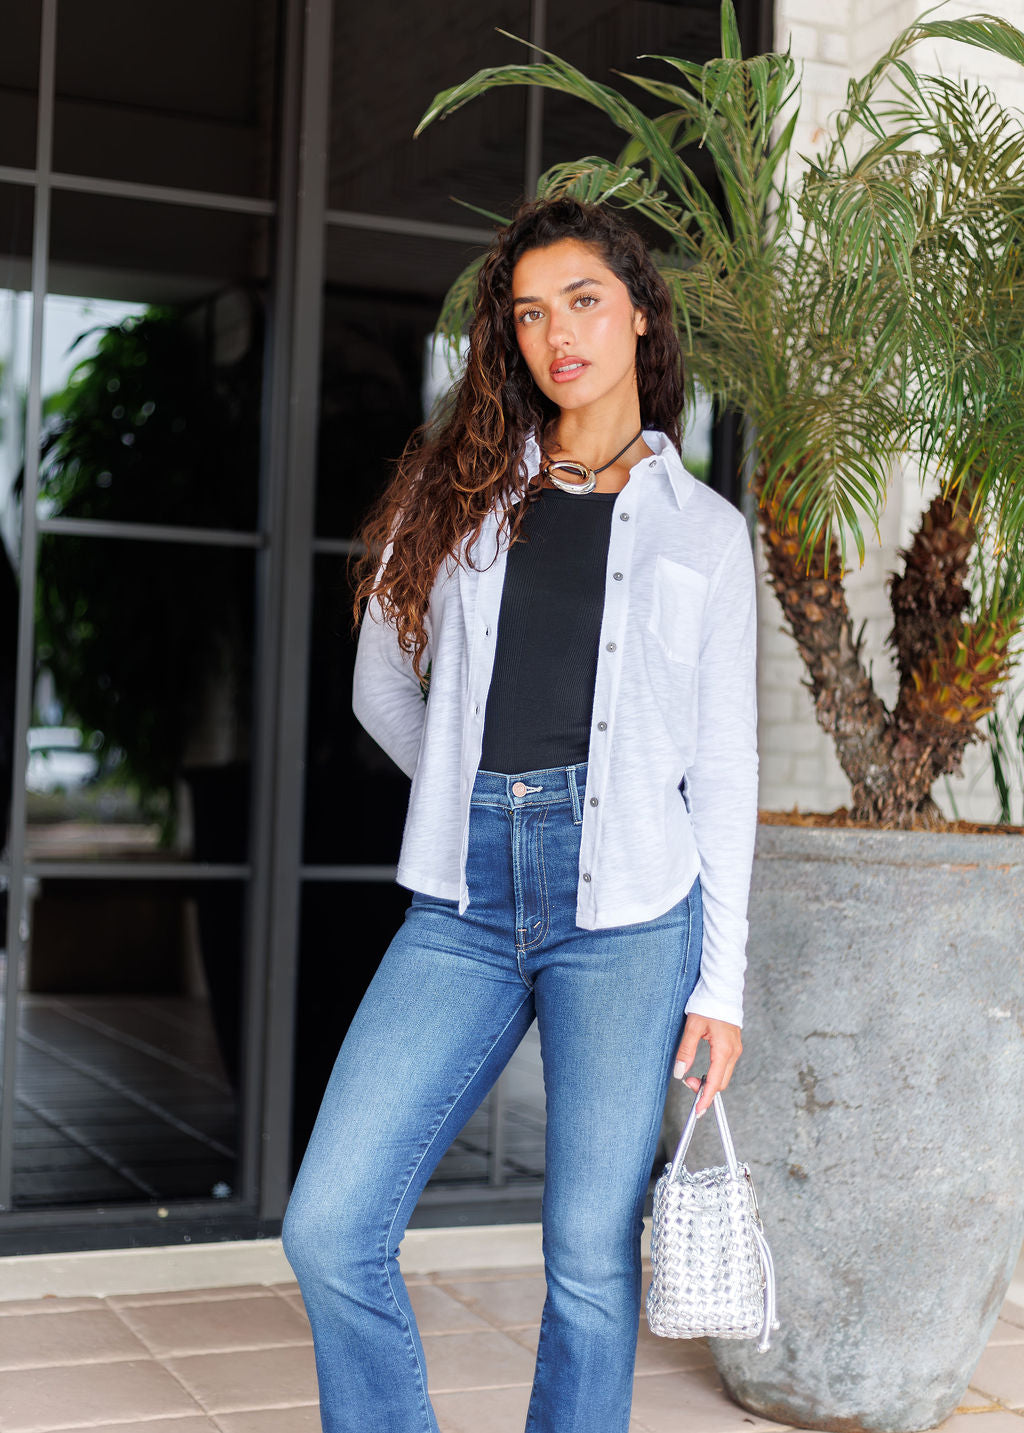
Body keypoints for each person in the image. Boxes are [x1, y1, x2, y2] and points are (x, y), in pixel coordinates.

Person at [283, 196, 759, 1433]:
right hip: (461, 897)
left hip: (631, 915)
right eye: (532, 313)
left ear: (641, 313)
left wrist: (724, 986)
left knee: (589, 1269)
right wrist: (458, 781)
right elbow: (382, 683)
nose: (559, 336)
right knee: (330, 1223)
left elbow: (724, 769)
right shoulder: (462, 492)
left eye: (584, 302)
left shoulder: (706, 535)